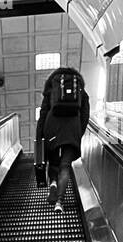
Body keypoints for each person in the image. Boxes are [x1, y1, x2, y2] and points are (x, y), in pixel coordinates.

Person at [35, 65, 90, 208]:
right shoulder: (80, 89)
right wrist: (79, 132)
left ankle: (53, 183)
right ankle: (59, 201)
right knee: (65, 166)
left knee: (53, 163)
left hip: (52, 128)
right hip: (72, 130)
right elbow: (85, 115)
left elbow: (43, 114)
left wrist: (40, 135)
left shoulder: (51, 88)